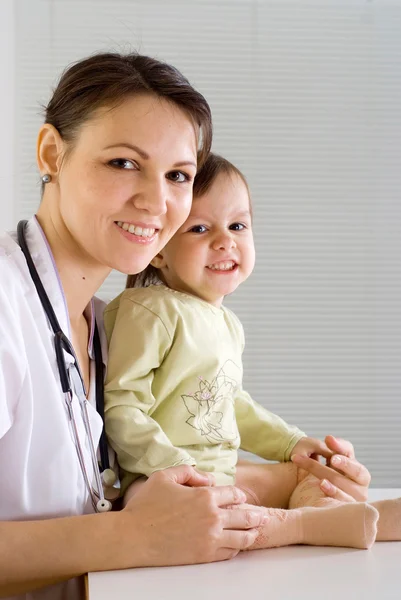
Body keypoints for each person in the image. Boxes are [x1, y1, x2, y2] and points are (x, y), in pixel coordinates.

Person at [0, 51, 373, 600]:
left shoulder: (101, 326)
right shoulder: (7, 304)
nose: (156, 200)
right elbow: (126, 525)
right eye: (123, 163)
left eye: (178, 175)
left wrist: (301, 475)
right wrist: (128, 538)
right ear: (52, 153)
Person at [104, 153, 401, 551]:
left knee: (309, 474)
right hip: (161, 482)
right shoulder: (150, 310)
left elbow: (233, 403)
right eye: (199, 228)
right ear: (158, 251)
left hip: (223, 473)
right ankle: (301, 526)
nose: (225, 240)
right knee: (201, 517)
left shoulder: (227, 324)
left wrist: (292, 443)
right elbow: (122, 407)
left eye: (237, 225)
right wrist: (175, 467)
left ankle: (323, 511)